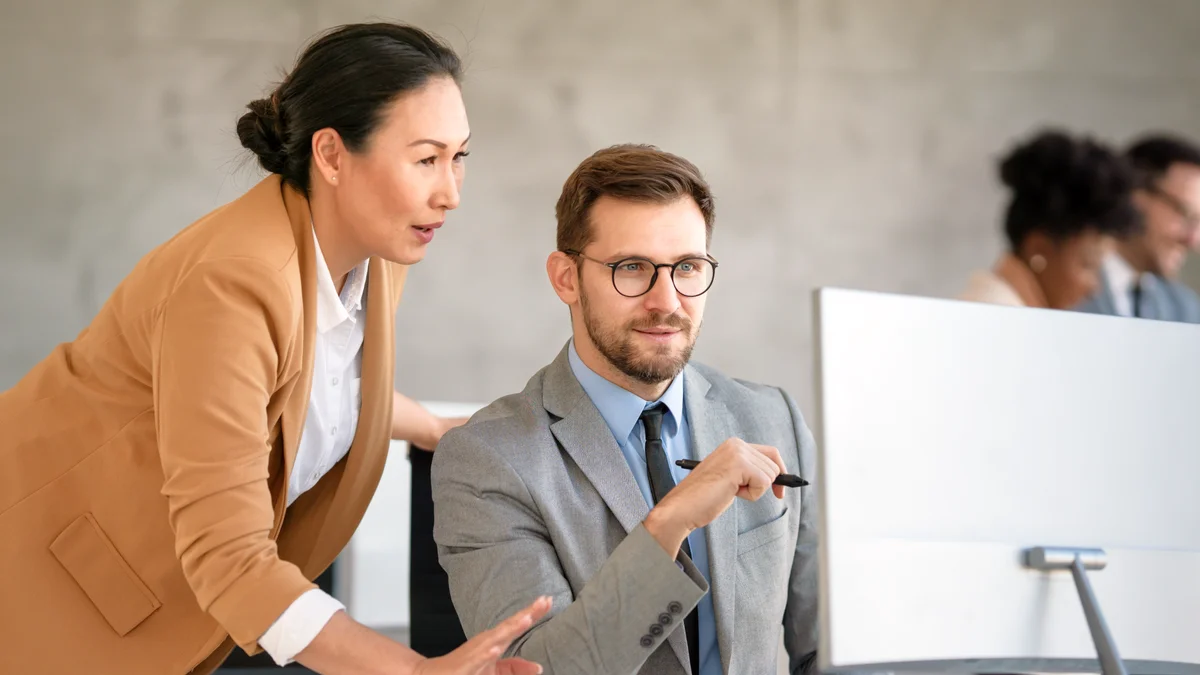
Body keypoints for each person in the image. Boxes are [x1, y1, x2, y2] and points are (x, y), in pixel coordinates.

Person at [0, 22, 548, 675]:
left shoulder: (376, 249)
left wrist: (427, 425)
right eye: (426, 159)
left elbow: (309, 379)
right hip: (56, 578)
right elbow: (229, 557)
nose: (451, 192)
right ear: (333, 154)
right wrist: (414, 671)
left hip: (191, 594)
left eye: (460, 157)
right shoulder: (230, 286)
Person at [432, 144, 819, 675]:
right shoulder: (487, 459)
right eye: (632, 268)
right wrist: (671, 521)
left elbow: (827, 650)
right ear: (566, 277)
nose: (666, 301)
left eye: (687, 267)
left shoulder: (774, 418)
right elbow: (536, 669)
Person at [960, 129, 1140, 309]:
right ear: (1038, 250)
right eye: (1087, 266)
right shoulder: (996, 320)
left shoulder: (1008, 312)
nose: (1095, 288)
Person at [1075, 134, 1200, 321]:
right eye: (1185, 214)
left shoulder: (1186, 310)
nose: (1193, 240)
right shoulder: (1061, 285)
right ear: (1135, 194)